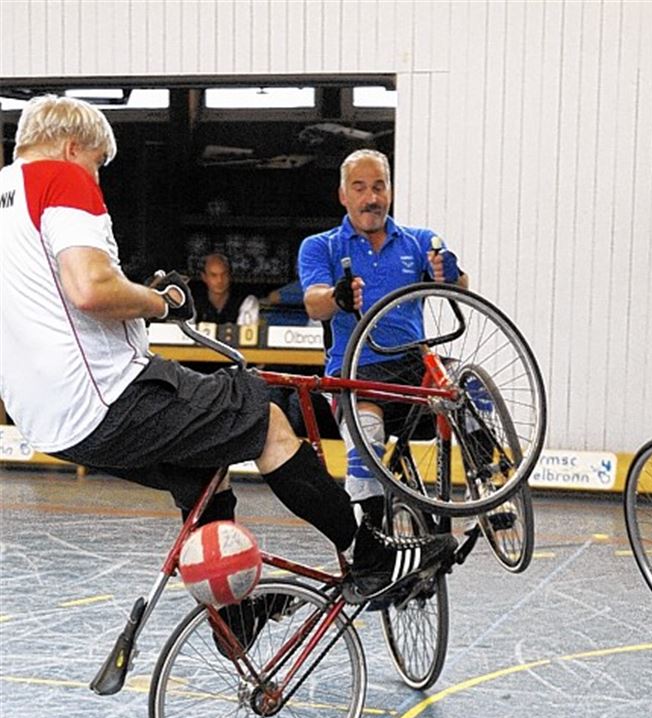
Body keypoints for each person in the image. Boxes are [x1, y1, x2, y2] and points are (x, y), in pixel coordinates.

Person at [0, 95, 457, 649]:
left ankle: (233, 621)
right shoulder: (59, 178)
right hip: (109, 396)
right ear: (74, 148)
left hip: (49, 422)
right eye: (97, 163)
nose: (97, 176)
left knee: (205, 476)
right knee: (263, 414)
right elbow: (91, 288)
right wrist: (161, 302)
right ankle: (369, 555)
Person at [297, 149, 469, 551]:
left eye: (379, 187)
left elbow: (460, 289)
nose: (371, 197)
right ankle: (369, 540)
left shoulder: (420, 240)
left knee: (469, 385)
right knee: (367, 433)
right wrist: (338, 297)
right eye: (360, 188)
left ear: (390, 192)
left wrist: (452, 274)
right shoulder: (319, 246)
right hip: (356, 369)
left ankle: (493, 483)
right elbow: (313, 302)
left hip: (413, 366)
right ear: (343, 195)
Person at [187, 252, 259, 325]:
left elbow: (247, 331)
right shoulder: (193, 300)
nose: (220, 280)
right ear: (204, 277)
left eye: (224, 274)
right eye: (213, 275)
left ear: (230, 275)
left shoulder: (245, 300)